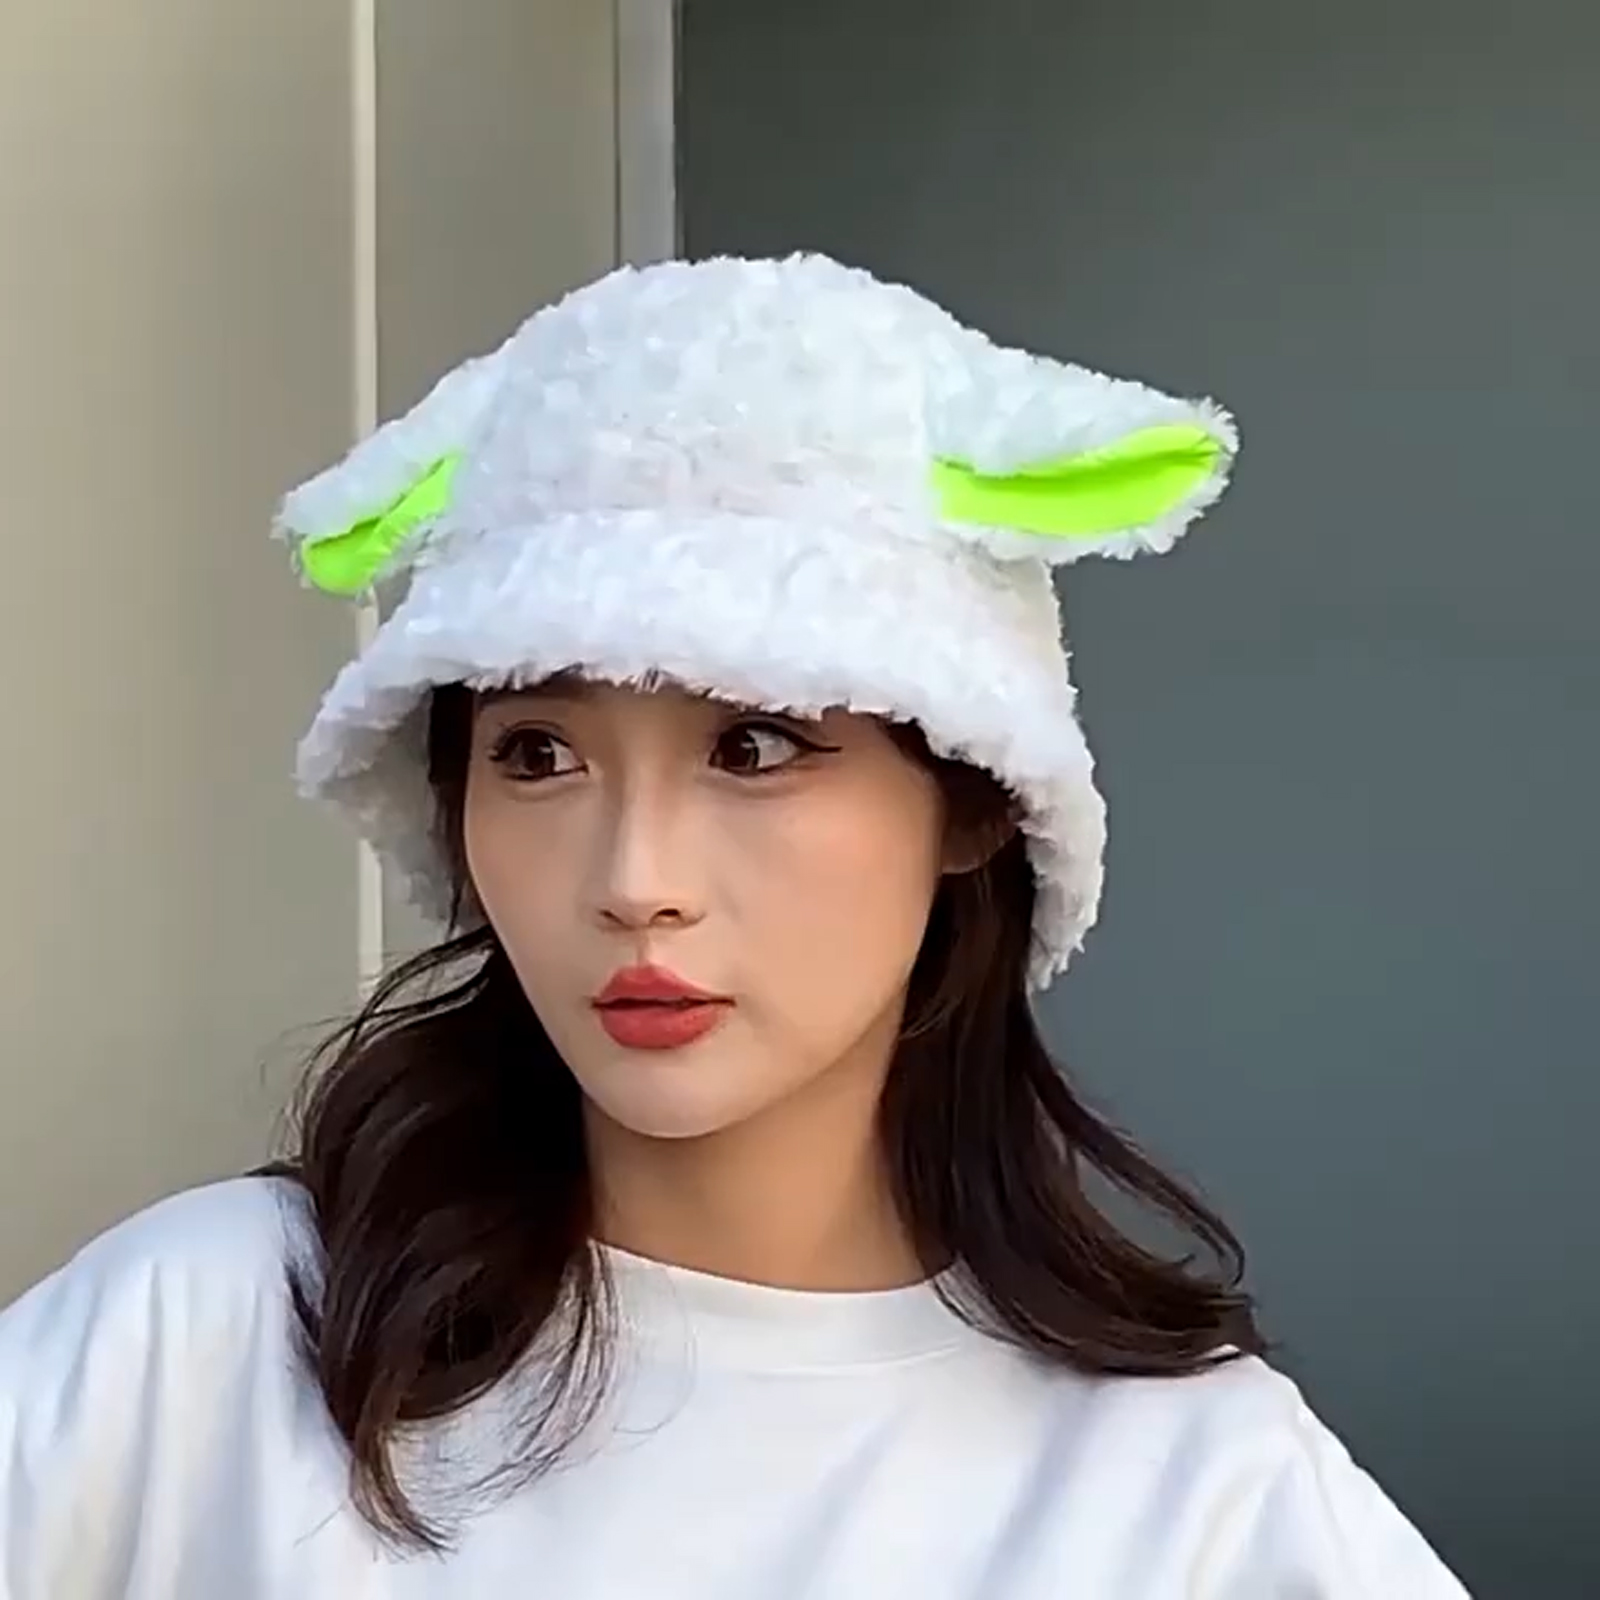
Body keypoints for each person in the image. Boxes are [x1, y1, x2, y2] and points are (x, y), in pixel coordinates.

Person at [0, 254, 1471, 1597]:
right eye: (538, 755)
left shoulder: (1194, 1493)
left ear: (974, 800)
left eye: (755, 746)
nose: (634, 878)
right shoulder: (210, 1338)